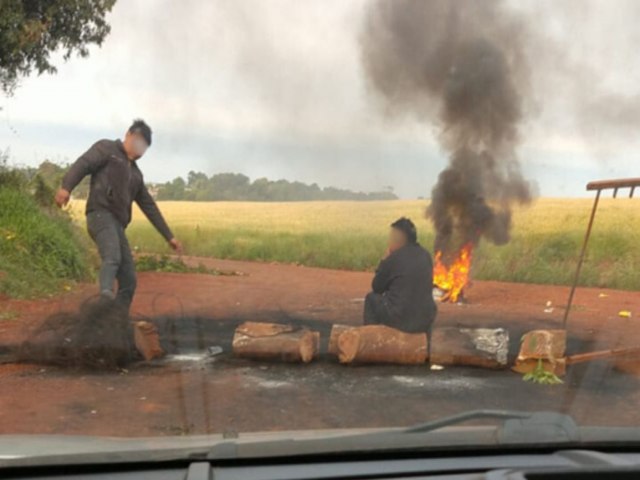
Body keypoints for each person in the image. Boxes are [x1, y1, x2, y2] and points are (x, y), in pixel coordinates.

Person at [54, 119, 182, 312]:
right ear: (129, 135)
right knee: (112, 256)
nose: (140, 150)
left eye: (145, 147)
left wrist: (169, 236)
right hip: (99, 215)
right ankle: (105, 297)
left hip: (118, 225)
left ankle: (116, 320)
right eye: (139, 142)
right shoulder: (107, 149)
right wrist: (66, 187)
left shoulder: (137, 175)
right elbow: (84, 164)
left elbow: (149, 207)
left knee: (129, 279)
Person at [364, 217, 437, 335]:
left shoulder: (394, 258)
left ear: (399, 239)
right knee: (427, 306)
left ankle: (371, 340)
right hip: (424, 320)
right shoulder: (426, 255)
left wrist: (384, 261)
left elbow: (377, 287)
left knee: (371, 299)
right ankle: (425, 346)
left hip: (400, 320)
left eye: (392, 237)